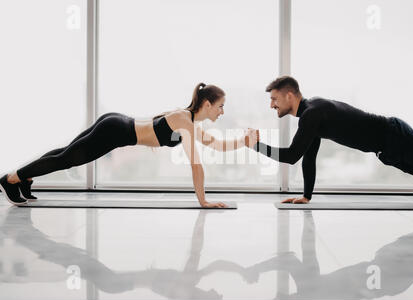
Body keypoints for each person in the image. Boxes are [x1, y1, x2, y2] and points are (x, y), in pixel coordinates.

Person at [0, 83, 259, 207]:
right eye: (221, 106)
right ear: (207, 105)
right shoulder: (185, 122)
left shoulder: (189, 121)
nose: (222, 112)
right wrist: (203, 201)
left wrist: (244, 142)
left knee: (65, 153)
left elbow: (215, 144)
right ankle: (11, 179)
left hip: (115, 124)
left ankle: (26, 178)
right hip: (114, 131)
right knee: (67, 158)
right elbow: (196, 165)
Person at [252, 76, 413, 203]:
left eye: (274, 99)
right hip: (388, 147)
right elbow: (308, 157)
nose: (271, 105)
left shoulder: (312, 113)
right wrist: (306, 196)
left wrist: (255, 145)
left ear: (289, 96)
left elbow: (292, 155)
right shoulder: (312, 112)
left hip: (395, 136)